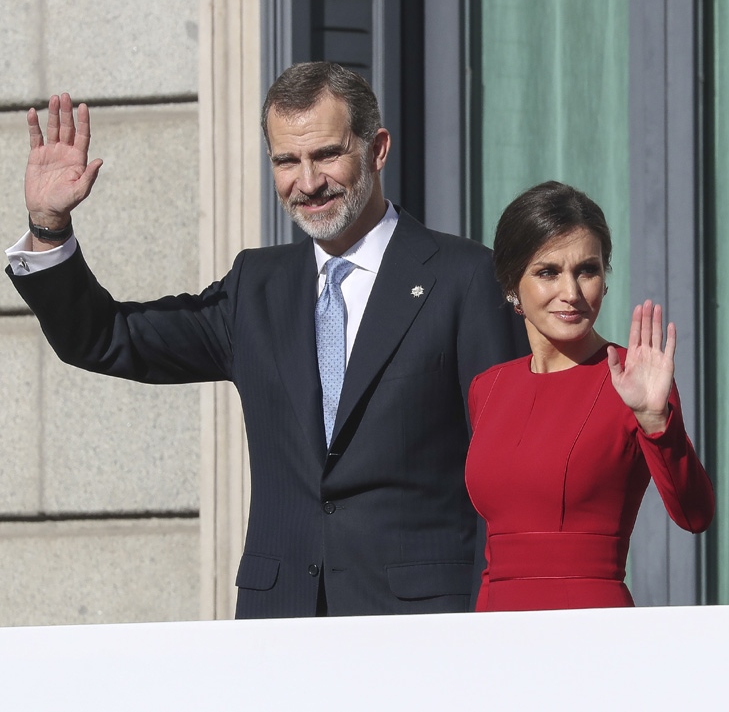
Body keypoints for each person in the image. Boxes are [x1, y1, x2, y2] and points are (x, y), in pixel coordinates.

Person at [6, 62, 526, 618]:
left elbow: (509, 474)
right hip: (278, 623)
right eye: (286, 161)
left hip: (422, 628)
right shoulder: (257, 286)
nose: (307, 183)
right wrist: (49, 228)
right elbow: (107, 337)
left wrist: (491, 631)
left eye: (326, 154)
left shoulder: (467, 277)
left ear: (376, 149)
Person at [465, 180, 715, 611]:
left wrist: (656, 422)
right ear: (512, 286)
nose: (573, 293)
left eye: (588, 270)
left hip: (592, 630)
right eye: (548, 272)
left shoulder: (632, 380)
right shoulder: (487, 388)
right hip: (494, 630)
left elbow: (695, 515)